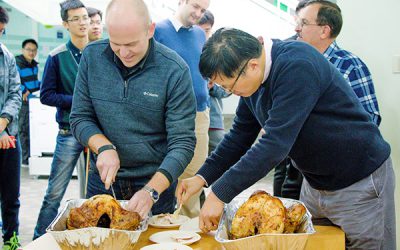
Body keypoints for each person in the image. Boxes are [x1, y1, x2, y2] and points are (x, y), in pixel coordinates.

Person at [177, 28, 396, 250]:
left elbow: (274, 145)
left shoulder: (297, 64)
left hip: (359, 178)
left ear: (252, 65)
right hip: (316, 183)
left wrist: (219, 194)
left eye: (229, 85)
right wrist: (202, 177)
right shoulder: (254, 81)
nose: (230, 92)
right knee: (320, 246)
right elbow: (238, 137)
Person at [70, 0, 196, 220]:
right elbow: (80, 117)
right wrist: (104, 147)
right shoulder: (91, 57)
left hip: (154, 184)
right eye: (116, 43)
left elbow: (183, 143)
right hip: (103, 181)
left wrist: (151, 190)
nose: (123, 52)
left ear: (150, 30)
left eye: (131, 44)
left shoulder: (174, 70)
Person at [33, 0, 89, 239]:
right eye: (75, 19)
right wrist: (77, 100)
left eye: (85, 17)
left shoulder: (100, 52)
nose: (82, 23)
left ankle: (93, 238)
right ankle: (39, 239)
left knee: (98, 192)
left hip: (98, 132)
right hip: (68, 131)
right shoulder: (57, 57)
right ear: (65, 24)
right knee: (54, 193)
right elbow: (46, 95)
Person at [154, 0, 210, 218]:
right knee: (168, 171)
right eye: (195, 6)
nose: (198, 13)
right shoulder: (158, 30)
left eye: (203, 10)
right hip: (170, 115)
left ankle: (189, 229)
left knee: (195, 174)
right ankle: (163, 223)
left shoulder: (199, 34)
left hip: (200, 113)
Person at [0, 6, 22, 249]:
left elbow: (15, 92)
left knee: (10, 196)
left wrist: (3, 123)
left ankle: (11, 240)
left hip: (8, 136)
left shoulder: (6, 55)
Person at [15, 39, 40, 167]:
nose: (31, 52)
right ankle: (24, 159)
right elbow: (14, 81)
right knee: (23, 129)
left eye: (34, 50)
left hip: (34, 102)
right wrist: (24, 90)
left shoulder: (34, 65)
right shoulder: (17, 63)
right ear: (22, 50)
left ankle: (30, 156)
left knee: (32, 130)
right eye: (28, 50)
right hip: (23, 102)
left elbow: (35, 83)